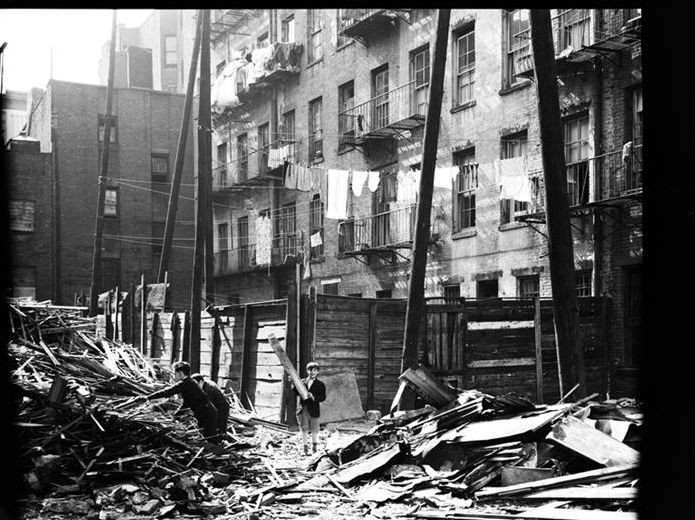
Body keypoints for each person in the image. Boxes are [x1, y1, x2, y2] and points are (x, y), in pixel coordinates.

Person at [139, 361, 220, 443]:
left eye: (175, 374)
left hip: (207, 413)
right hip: (207, 412)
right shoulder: (190, 382)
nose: (174, 376)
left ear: (180, 373)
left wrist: (148, 397)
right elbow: (186, 404)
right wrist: (176, 415)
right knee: (205, 438)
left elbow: (168, 391)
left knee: (210, 439)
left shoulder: (185, 383)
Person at [291, 361, 326, 456]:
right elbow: (296, 392)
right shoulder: (302, 382)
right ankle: (305, 448)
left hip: (314, 409)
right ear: (307, 371)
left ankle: (314, 448)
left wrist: (314, 397)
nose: (312, 372)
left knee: (314, 429)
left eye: (315, 370)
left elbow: (323, 397)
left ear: (318, 372)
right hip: (303, 408)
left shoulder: (320, 384)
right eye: (310, 370)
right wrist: (293, 383)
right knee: (304, 429)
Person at [191, 373, 230, 442]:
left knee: (219, 426)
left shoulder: (209, 389)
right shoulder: (205, 384)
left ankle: (219, 442)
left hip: (221, 408)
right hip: (217, 406)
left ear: (201, 382)